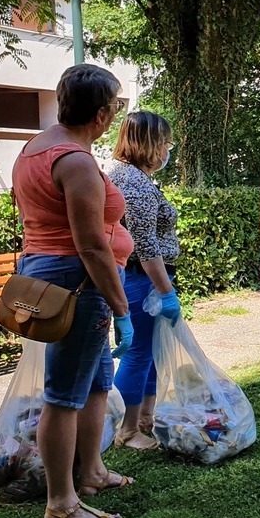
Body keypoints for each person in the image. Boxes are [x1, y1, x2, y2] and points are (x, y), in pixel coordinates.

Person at [12, 64, 136, 518]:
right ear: (101, 115)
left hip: (52, 274)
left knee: (98, 381)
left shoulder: (34, 148)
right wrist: (121, 308)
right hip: (76, 283)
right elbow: (90, 244)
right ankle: (61, 503)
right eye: (115, 108)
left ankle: (93, 473)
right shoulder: (76, 161)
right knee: (64, 394)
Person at [107, 111, 182, 450]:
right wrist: (166, 292)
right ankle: (125, 429)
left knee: (149, 352)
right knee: (138, 353)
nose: (168, 149)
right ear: (149, 144)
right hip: (142, 278)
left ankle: (144, 418)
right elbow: (145, 246)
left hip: (144, 277)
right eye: (165, 142)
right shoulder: (133, 183)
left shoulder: (129, 176)